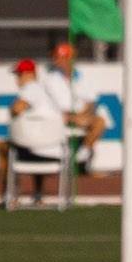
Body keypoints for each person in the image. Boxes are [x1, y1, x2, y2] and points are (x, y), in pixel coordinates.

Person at [0, 58, 68, 205]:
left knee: (3, 147)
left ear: (30, 74)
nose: (17, 79)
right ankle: (38, 195)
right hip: (56, 151)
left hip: (38, 151)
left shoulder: (31, 88)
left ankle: (10, 195)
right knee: (36, 142)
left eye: (20, 74)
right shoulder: (47, 91)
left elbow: (17, 108)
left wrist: (13, 111)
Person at [38, 41, 107, 173]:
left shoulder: (82, 78)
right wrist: (72, 117)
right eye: (56, 57)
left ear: (69, 59)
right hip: (60, 117)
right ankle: (76, 158)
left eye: (60, 57)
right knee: (64, 118)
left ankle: (83, 154)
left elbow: (90, 102)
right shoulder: (49, 79)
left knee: (100, 122)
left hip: (79, 116)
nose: (57, 61)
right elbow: (50, 105)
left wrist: (80, 116)